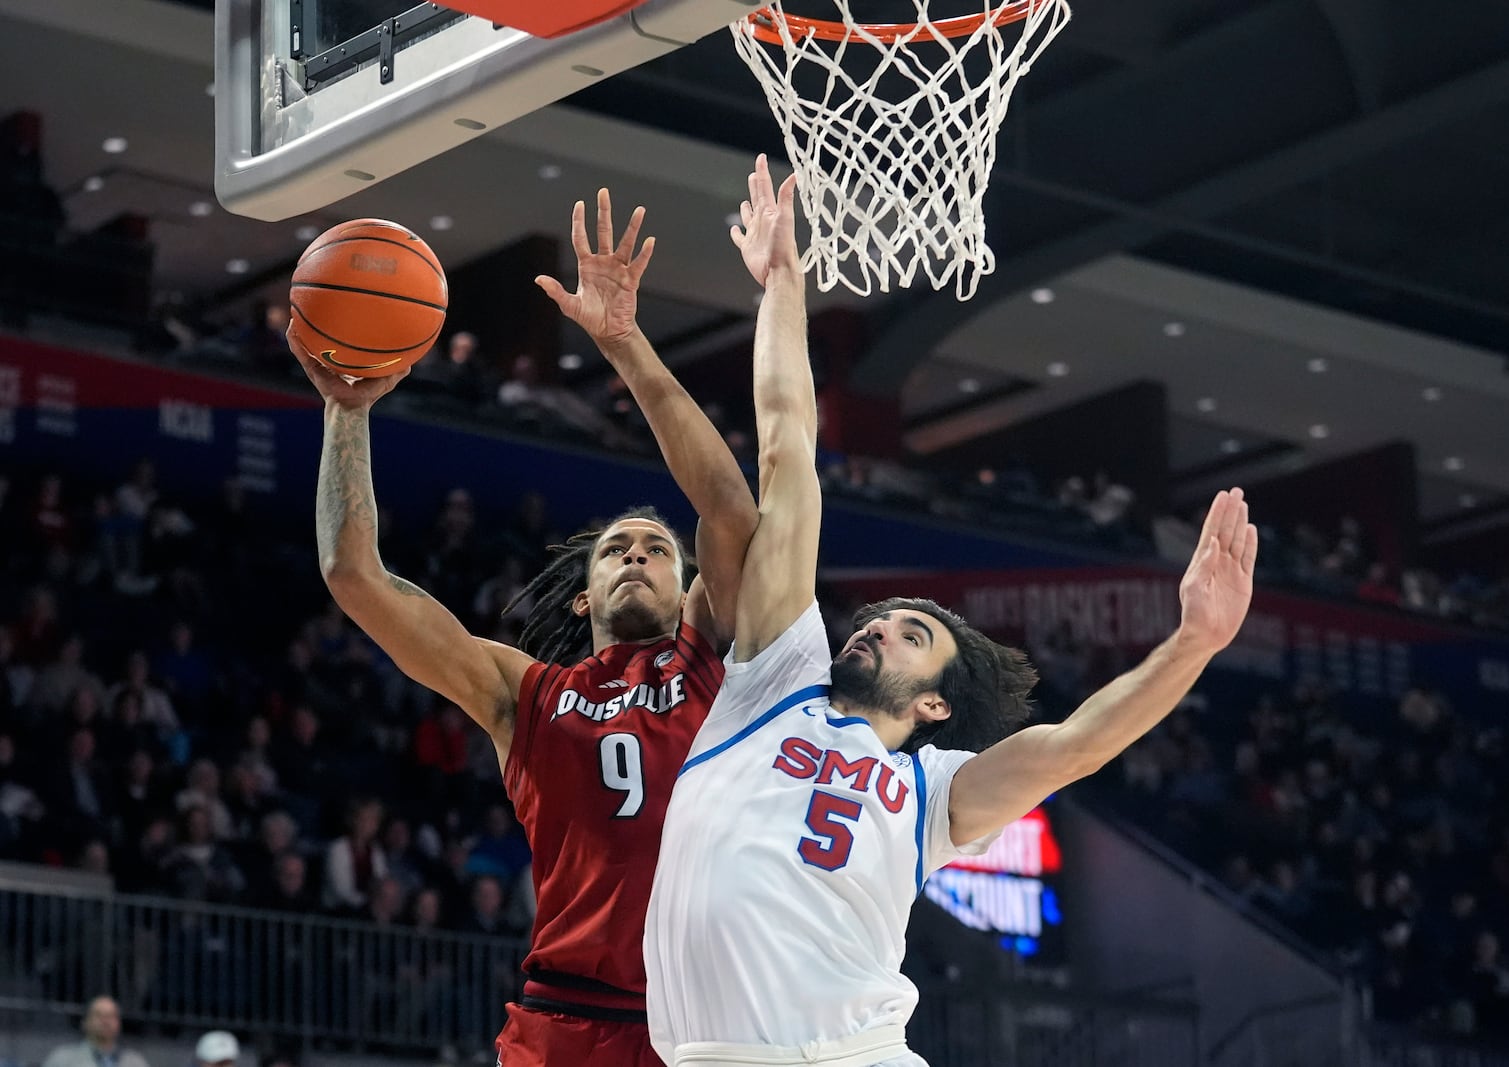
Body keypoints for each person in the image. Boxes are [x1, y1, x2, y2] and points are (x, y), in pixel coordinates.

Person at [644, 156, 1259, 1067]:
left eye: (911, 632)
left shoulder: (933, 795)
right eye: (883, 616)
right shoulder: (772, 675)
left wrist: (1196, 642)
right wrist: (782, 284)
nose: (877, 625)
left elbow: (1077, 743)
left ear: (933, 704)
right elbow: (787, 447)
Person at [288, 186, 757, 1067]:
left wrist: (622, 342)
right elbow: (355, 576)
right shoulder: (527, 693)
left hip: (702, 1020)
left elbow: (729, 506)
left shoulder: (711, 660)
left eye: (657, 547)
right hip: (564, 1015)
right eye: (615, 548)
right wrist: (345, 414)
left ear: (688, 583)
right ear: (582, 596)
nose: (635, 555)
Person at [42, 996, 150, 1067]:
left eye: (111, 1016)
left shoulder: (136, 1062)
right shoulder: (62, 1059)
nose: (106, 1021)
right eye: (99, 1015)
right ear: (84, 1023)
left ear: (119, 1024)